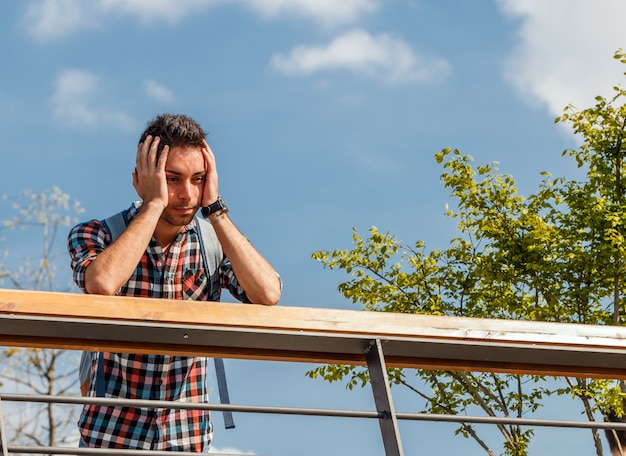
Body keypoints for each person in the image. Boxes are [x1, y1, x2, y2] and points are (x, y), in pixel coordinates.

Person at [67, 113, 281, 451]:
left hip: (188, 433)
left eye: (198, 179)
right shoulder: (97, 233)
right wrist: (153, 204)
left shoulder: (215, 243)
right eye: (172, 179)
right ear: (140, 179)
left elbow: (268, 292)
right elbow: (102, 283)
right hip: (110, 432)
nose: (186, 194)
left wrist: (216, 210)